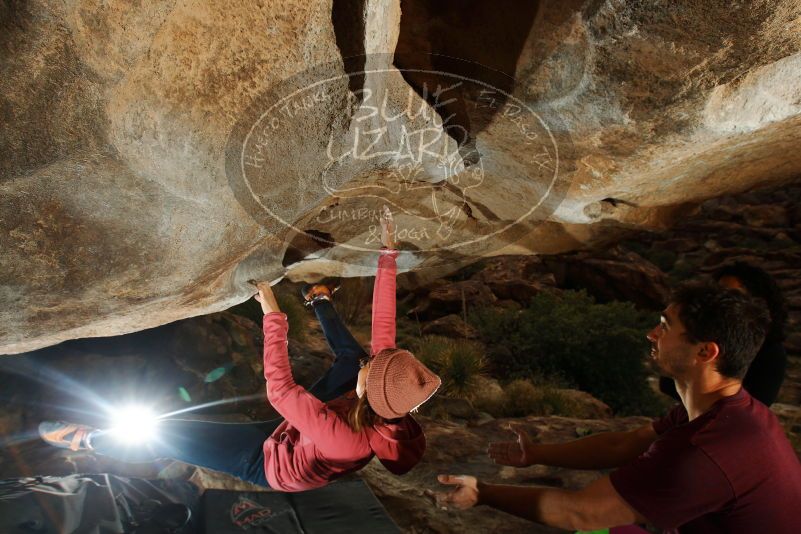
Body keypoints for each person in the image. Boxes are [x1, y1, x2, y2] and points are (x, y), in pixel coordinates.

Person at [39, 206, 441, 491]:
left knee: (170, 434)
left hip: (266, 463)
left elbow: (282, 390)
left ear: (370, 392)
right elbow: (383, 325)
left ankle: (89, 440)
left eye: (372, 368)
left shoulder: (345, 439)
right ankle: (319, 299)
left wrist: (272, 314)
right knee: (351, 359)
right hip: (302, 433)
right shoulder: (386, 396)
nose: (372, 360)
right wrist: (388, 255)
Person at [433, 281, 801, 532]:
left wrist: (483, 492)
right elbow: (621, 446)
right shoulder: (726, 412)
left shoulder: (706, 450)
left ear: (706, 352)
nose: (651, 334)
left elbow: (579, 511)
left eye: (664, 326)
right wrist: (538, 454)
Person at [659, 261, 788, 406]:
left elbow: (754, 406)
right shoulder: (702, 334)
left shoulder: (771, 352)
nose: (720, 299)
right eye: (717, 292)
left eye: (732, 295)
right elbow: (668, 383)